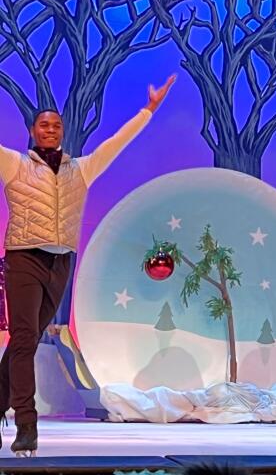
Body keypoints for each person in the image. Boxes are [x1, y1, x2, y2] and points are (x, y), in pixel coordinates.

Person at [0, 75, 176, 456]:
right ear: (32, 131)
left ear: (62, 131)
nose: (50, 129)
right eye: (44, 124)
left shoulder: (80, 169)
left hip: (60, 262)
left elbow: (116, 144)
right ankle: (26, 425)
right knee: (26, 339)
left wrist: (148, 111)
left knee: (23, 343)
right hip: (24, 258)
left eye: (56, 125)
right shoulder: (15, 165)